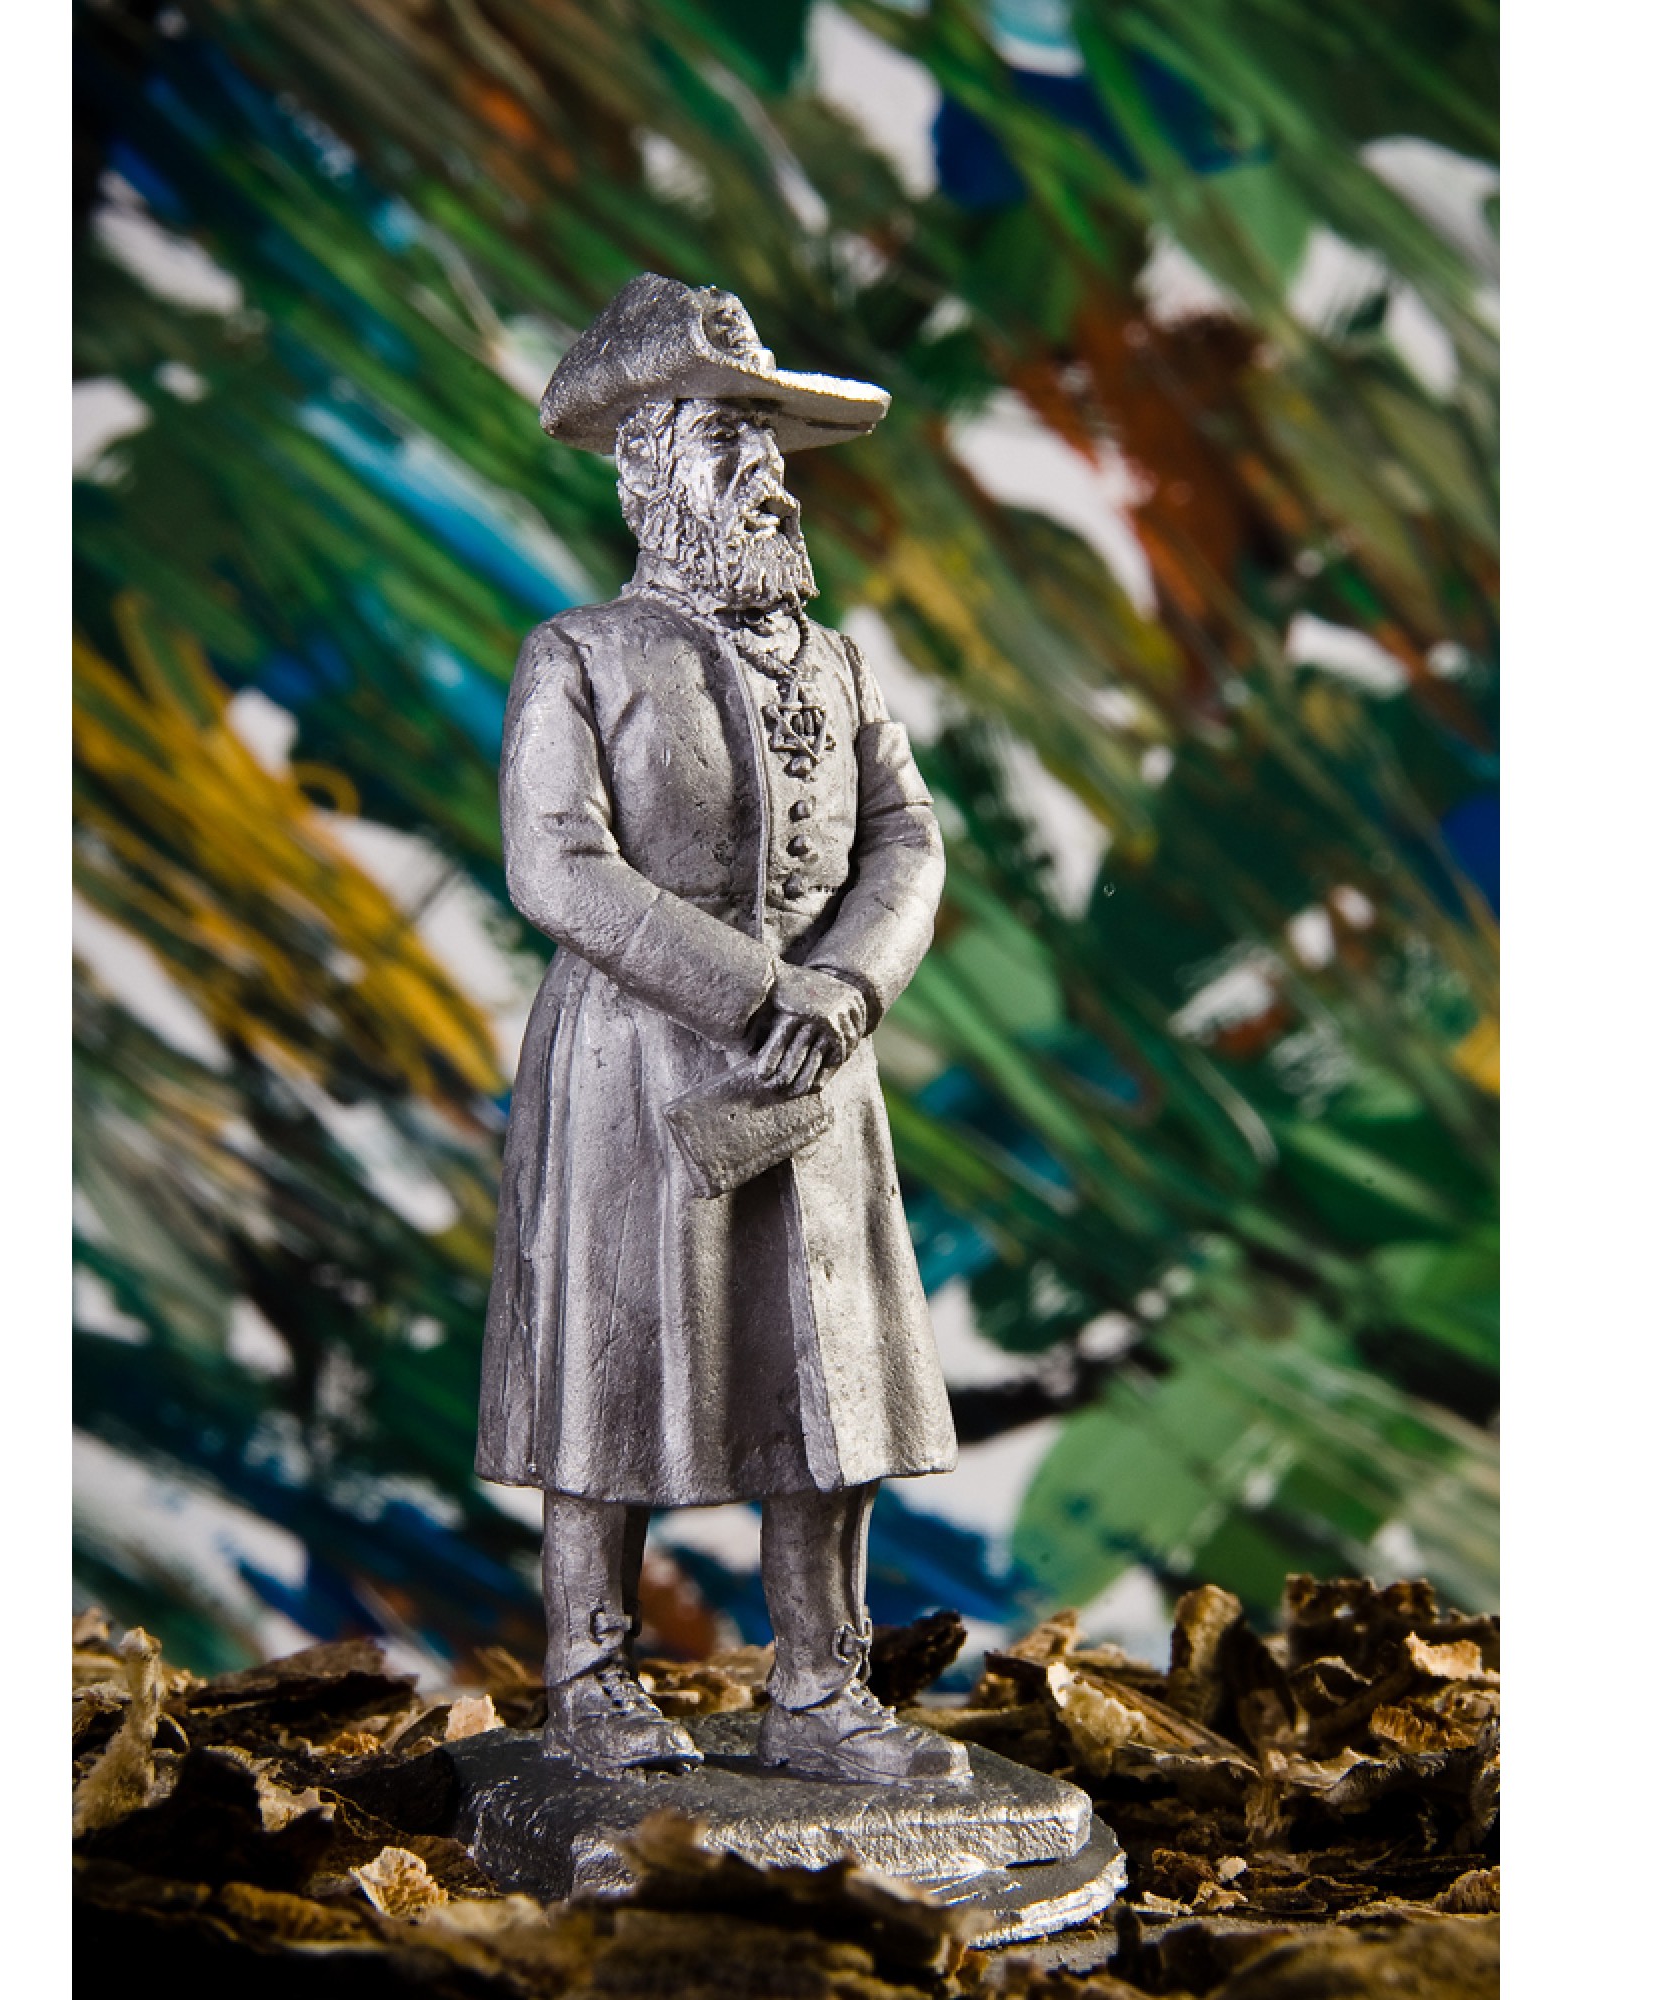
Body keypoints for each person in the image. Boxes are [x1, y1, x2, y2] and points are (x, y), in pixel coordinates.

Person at [477, 274, 966, 1786]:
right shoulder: (579, 655)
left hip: (821, 1066)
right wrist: (757, 989)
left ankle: (820, 1684)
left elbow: (908, 837)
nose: (763, 470)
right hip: (636, 1060)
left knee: (833, 1373)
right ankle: (591, 1676)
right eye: (720, 437)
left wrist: (849, 986)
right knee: (614, 1363)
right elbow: (557, 864)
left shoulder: (837, 661)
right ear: (644, 474)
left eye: (769, 437)